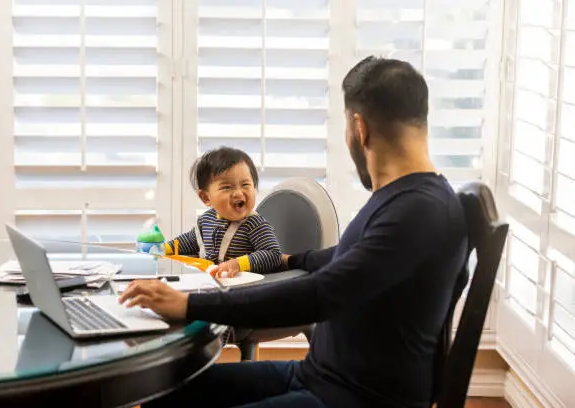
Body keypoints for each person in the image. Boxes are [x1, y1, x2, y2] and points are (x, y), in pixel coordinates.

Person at [119, 56, 468, 408]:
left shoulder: (417, 211)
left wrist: (190, 304)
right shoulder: (412, 201)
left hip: (353, 398)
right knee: (165, 394)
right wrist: (290, 259)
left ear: (359, 128)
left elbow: (322, 293)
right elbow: (349, 258)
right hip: (319, 376)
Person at [165, 146, 282, 277]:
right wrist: (165, 249)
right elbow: (191, 240)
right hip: (213, 283)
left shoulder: (254, 224)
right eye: (227, 187)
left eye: (245, 185)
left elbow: (273, 254)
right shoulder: (207, 220)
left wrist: (238, 264)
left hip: (243, 288)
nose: (238, 192)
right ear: (206, 198)